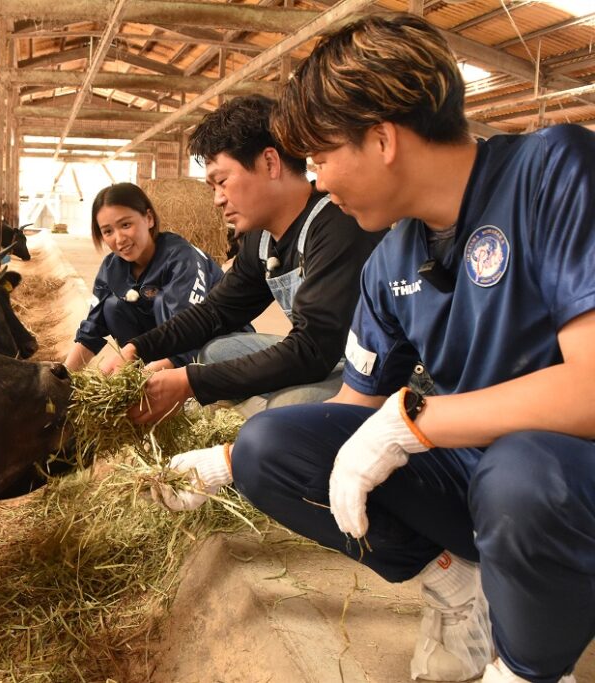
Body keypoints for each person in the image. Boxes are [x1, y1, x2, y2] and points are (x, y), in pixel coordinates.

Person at [154, 13, 594, 683]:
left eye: (323, 157)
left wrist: (415, 421)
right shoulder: (392, 256)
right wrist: (228, 461)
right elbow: (348, 411)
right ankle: (459, 585)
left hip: (563, 479)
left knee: (520, 473)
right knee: (274, 442)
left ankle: (531, 668)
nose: (320, 182)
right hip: (478, 479)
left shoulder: (551, 171)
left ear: (383, 139)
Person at [102, 95, 383, 423]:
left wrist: (189, 382)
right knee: (213, 353)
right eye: (212, 187)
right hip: (329, 357)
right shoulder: (262, 240)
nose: (218, 199)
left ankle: (269, 426)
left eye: (222, 182)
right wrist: (137, 350)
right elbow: (214, 312)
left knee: (288, 407)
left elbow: (312, 352)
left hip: (375, 372)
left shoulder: (336, 224)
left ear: (270, 163)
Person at [63, 182, 225, 371]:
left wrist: (141, 380)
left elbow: (190, 328)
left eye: (125, 225)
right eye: (108, 231)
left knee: (162, 300)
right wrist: (64, 375)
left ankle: (164, 377)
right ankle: (145, 369)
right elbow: (91, 329)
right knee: (112, 306)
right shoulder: (111, 267)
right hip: (164, 345)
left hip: (213, 342)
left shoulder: (181, 257)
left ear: (149, 218)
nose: (119, 239)